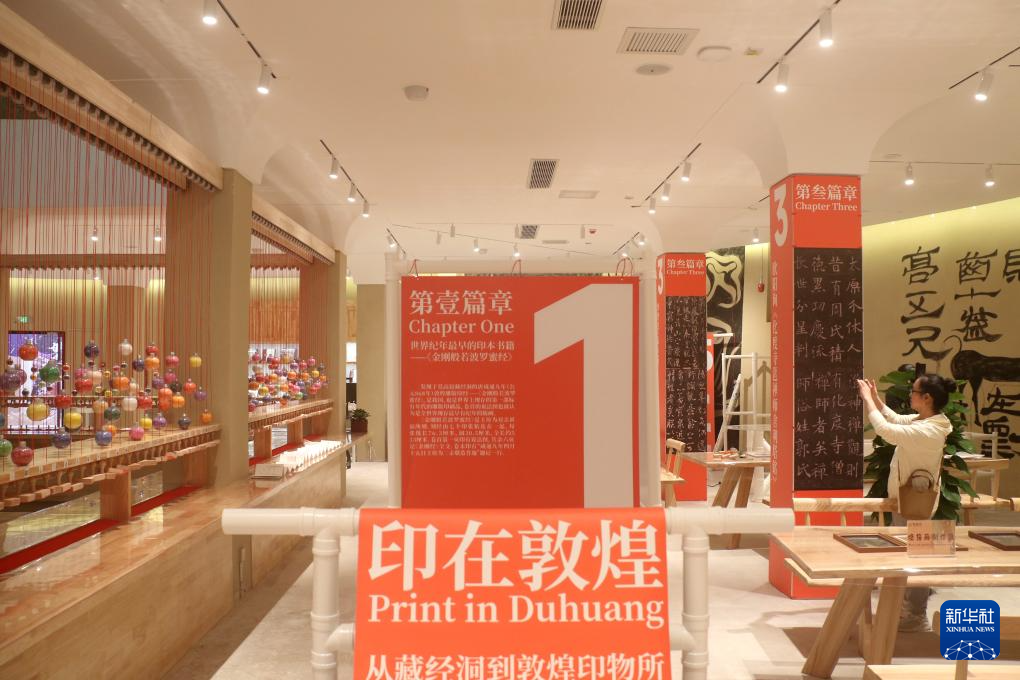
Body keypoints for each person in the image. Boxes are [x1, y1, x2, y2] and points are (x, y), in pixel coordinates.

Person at [856, 374, 955, 632]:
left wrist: (867, 400)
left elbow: (887, 431)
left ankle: (915, 616)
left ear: (927, 398)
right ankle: (906, 612)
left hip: (916, 503)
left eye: (914, 391)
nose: (910, 394)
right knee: (908, 554)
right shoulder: (926, 420)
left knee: (917, 558)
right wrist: (876, 398)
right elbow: (896, 419)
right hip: (909, 499)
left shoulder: (930, 429)